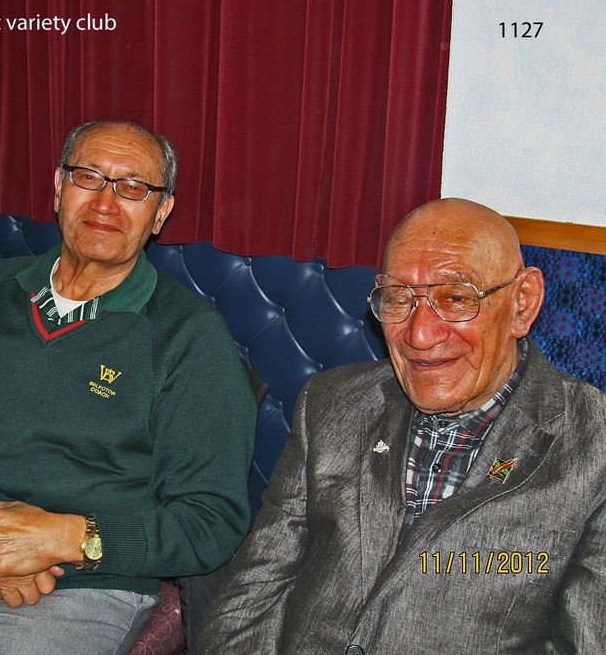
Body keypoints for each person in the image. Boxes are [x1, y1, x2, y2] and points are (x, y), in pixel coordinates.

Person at [0, 120, 257, 654]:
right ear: (58, 187)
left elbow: (210, 522)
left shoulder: (190, 337)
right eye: (88, 177)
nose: (105, 202)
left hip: (65, 590)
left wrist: (64, 537)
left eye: (133, 187)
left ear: (161, 212)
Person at [200, 198, 606, 654]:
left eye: (455, 298)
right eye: (398, 298)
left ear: (522, 303)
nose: (419, 334)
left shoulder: (593, 448)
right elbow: (252, 598)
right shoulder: (332, 404)